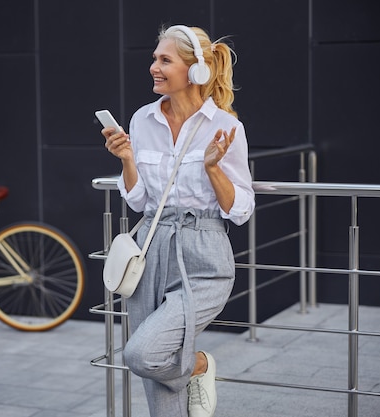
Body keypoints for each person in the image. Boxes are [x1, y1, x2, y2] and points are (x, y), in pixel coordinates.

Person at [101, 24, 255, 417]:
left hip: (204, 256)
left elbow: (240, 210)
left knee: (142, 353)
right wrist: (127, 160)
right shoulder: (141, 120)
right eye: (154, 58)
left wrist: (213, 168)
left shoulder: (226, 127)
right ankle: (187, 382)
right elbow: (138, 201)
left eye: (164, 60)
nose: (153, 66)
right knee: (158, 390)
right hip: (153, 249)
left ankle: (199, 364)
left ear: (196, 70)